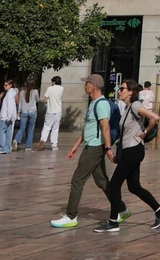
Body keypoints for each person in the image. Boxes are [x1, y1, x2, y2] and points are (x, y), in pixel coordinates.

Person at [96, 79, 160, 233]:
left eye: (122, 88)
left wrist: (145, 132)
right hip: (130, 150)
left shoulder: (135, 105)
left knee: (115, 185)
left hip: (133, 150)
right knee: (134, 186)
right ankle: (159, 210)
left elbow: (154, 118)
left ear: (131, 91)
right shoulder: (128, 108)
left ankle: (113, 221)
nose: (119, 91)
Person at [52, 75, 114, 229]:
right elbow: (89, 128)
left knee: (77, 180)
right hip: (90, 145)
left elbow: (105, 128)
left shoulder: (101, 104)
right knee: (101, 181)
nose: (84, 86)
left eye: (86, 83)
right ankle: (120, 208)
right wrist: (76, 145)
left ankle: (71, 216)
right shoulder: (93, 103)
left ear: (93, 86)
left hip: (95, 147)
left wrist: (108, 148)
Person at [0, 78, 19, 154]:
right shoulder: (12, 93)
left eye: (6, 85)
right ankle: (8, 148)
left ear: (10, 85)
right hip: (10, 117)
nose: (4, 86)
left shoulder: (9, 94)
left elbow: (10, 105)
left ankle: (2, 148)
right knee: (8, 132)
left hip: (6, 117)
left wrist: (8, 116)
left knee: (1, 131)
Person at [40, 76, 64, 150]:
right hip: (58, 111)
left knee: (47, 126)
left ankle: (43, 140)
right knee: (55, 128)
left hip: (50, 110)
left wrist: (47, 103)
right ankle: (54, 144)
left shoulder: (49, 88)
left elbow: (45, 99)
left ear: (54, 82)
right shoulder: (61, 88)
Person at [18, 80, 39, 152]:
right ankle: (28, 146)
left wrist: (18, 111)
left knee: (22, 128)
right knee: (30, 129)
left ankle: (16, 139)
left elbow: (20, 103)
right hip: (32, 112)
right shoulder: (35, 91)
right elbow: (37, 100)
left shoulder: (21, 92)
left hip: (24, 112)